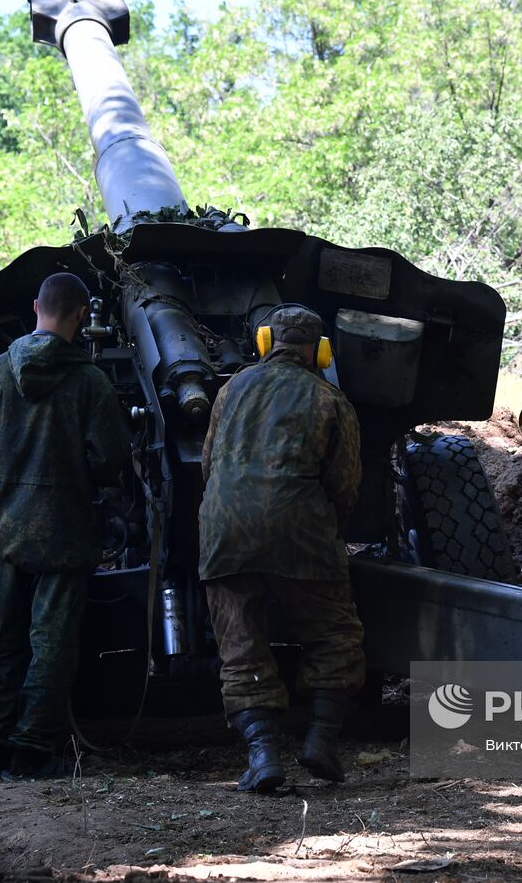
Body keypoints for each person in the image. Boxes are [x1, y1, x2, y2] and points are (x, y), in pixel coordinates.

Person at [0, 271, 131, 780]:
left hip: (7, 530)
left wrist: (6, 470)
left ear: (36, 307)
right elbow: (111, 457)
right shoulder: (90, 382)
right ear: (81, 316)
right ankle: (31, 751)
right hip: (65, 533)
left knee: (0, 641)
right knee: (51, 644)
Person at [199, 304, 364, 793]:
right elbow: (345, 484)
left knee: (242, 646)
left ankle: (263, 755)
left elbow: (209, 464)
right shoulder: (330, 399)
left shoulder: (231, 389)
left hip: (224, 532)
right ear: (321, 351)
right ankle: (321, 741)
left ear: (267, 343)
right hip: (301, 530)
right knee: (334, 636)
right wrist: (327, 531)